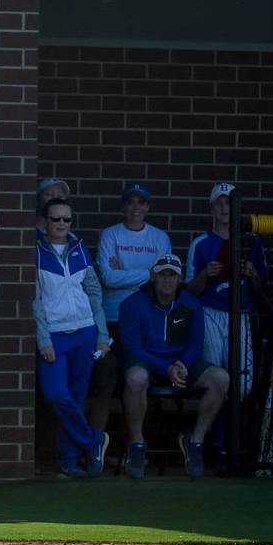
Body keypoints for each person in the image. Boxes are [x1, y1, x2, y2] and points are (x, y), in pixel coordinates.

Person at [119, 254, 229, 479]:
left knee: (220, 378)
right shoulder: (132, 304)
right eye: (162, 275)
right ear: (153, 277)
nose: (167, 280)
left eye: (172, 275)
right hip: (147, 362)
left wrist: (182, 364)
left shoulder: (192, 304)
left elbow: (196, 343)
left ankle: (195, 442)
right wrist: (165, 368)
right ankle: (137, 444)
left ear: (180, 279)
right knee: (135, 378)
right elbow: (133, 348)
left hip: (180, 364)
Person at [185, 182, 268, 467]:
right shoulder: (200, 243)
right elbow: (188, 291)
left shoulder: (251, 242)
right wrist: (206, 275)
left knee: (242, 384)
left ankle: (217, 438)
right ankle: (218, 444)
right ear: (212, 207)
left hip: (240, 314)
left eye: (229, 203)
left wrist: (252, 272)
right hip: (209, 313)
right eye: (219, 202)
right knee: (214, 379)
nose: (224, 207)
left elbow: (263, 287)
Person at [34, 198, 111, 478]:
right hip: (54, 334)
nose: (62, 224)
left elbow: (94, 292)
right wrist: (43, 340)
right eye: (56, 219)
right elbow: (35, 300)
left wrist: (102, 335)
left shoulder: (80, 249)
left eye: (67, 219)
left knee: (76, 399)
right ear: (45, 222)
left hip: (85, 332)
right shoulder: (36, 252)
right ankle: (93, 441)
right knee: (56, 395)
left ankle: (69, 462)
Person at [90, 183, 171, 430]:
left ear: (148, 207)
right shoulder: (110, 234)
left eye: (141, 202)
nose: (136, 207)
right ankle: (97, 446)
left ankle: (137, 446)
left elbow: (165, 280)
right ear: (123, 207)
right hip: (112, 318)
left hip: (147, 318)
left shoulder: (159, 237)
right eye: (131, 202)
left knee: (139, 377)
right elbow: (107, 278)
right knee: (104, 380)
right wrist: (148, 273)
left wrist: (123, 272)